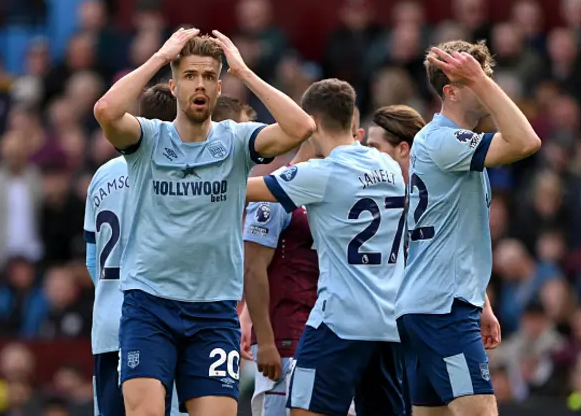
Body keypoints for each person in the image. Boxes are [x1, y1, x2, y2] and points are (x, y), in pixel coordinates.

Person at [92, 27, 315, 416]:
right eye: (191, 75)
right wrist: (160, 57)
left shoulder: (236, 142)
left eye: (210, 77)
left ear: (218, 87)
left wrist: (244, 72)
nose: (201, 84)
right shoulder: (147, 139)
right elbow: (106, 111)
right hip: (149, 305)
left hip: (213, 311)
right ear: (174, 85)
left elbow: (301, 128)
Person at [395, 40, 541, 416]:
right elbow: (527, 141)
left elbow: (450, 232)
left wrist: (481, 302)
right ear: (452, 91)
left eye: (486, 75)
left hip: (433, 305)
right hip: (442, 312)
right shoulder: (444, 139)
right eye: (477, 78)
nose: (487, 82)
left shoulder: (446, 145)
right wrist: (481, 80)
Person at [245, 79, 407, 416]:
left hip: (338, 322)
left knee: (304, 409)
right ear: (351, 120)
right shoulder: (390, 167)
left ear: (311, 122)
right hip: (387, 325)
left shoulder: (320, 173)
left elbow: (243, 190)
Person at [240, 106, 366, 416]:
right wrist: (266, 340)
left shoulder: (341, 192)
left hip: (332, 335)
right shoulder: (276, 192)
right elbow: (253, 268)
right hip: (286, 338)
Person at [84, 84, 177, 416]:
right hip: (158, 324)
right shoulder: (176, 175)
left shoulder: (102, 175)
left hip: (108, 322)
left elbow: (93, 259)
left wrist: (111, 293)